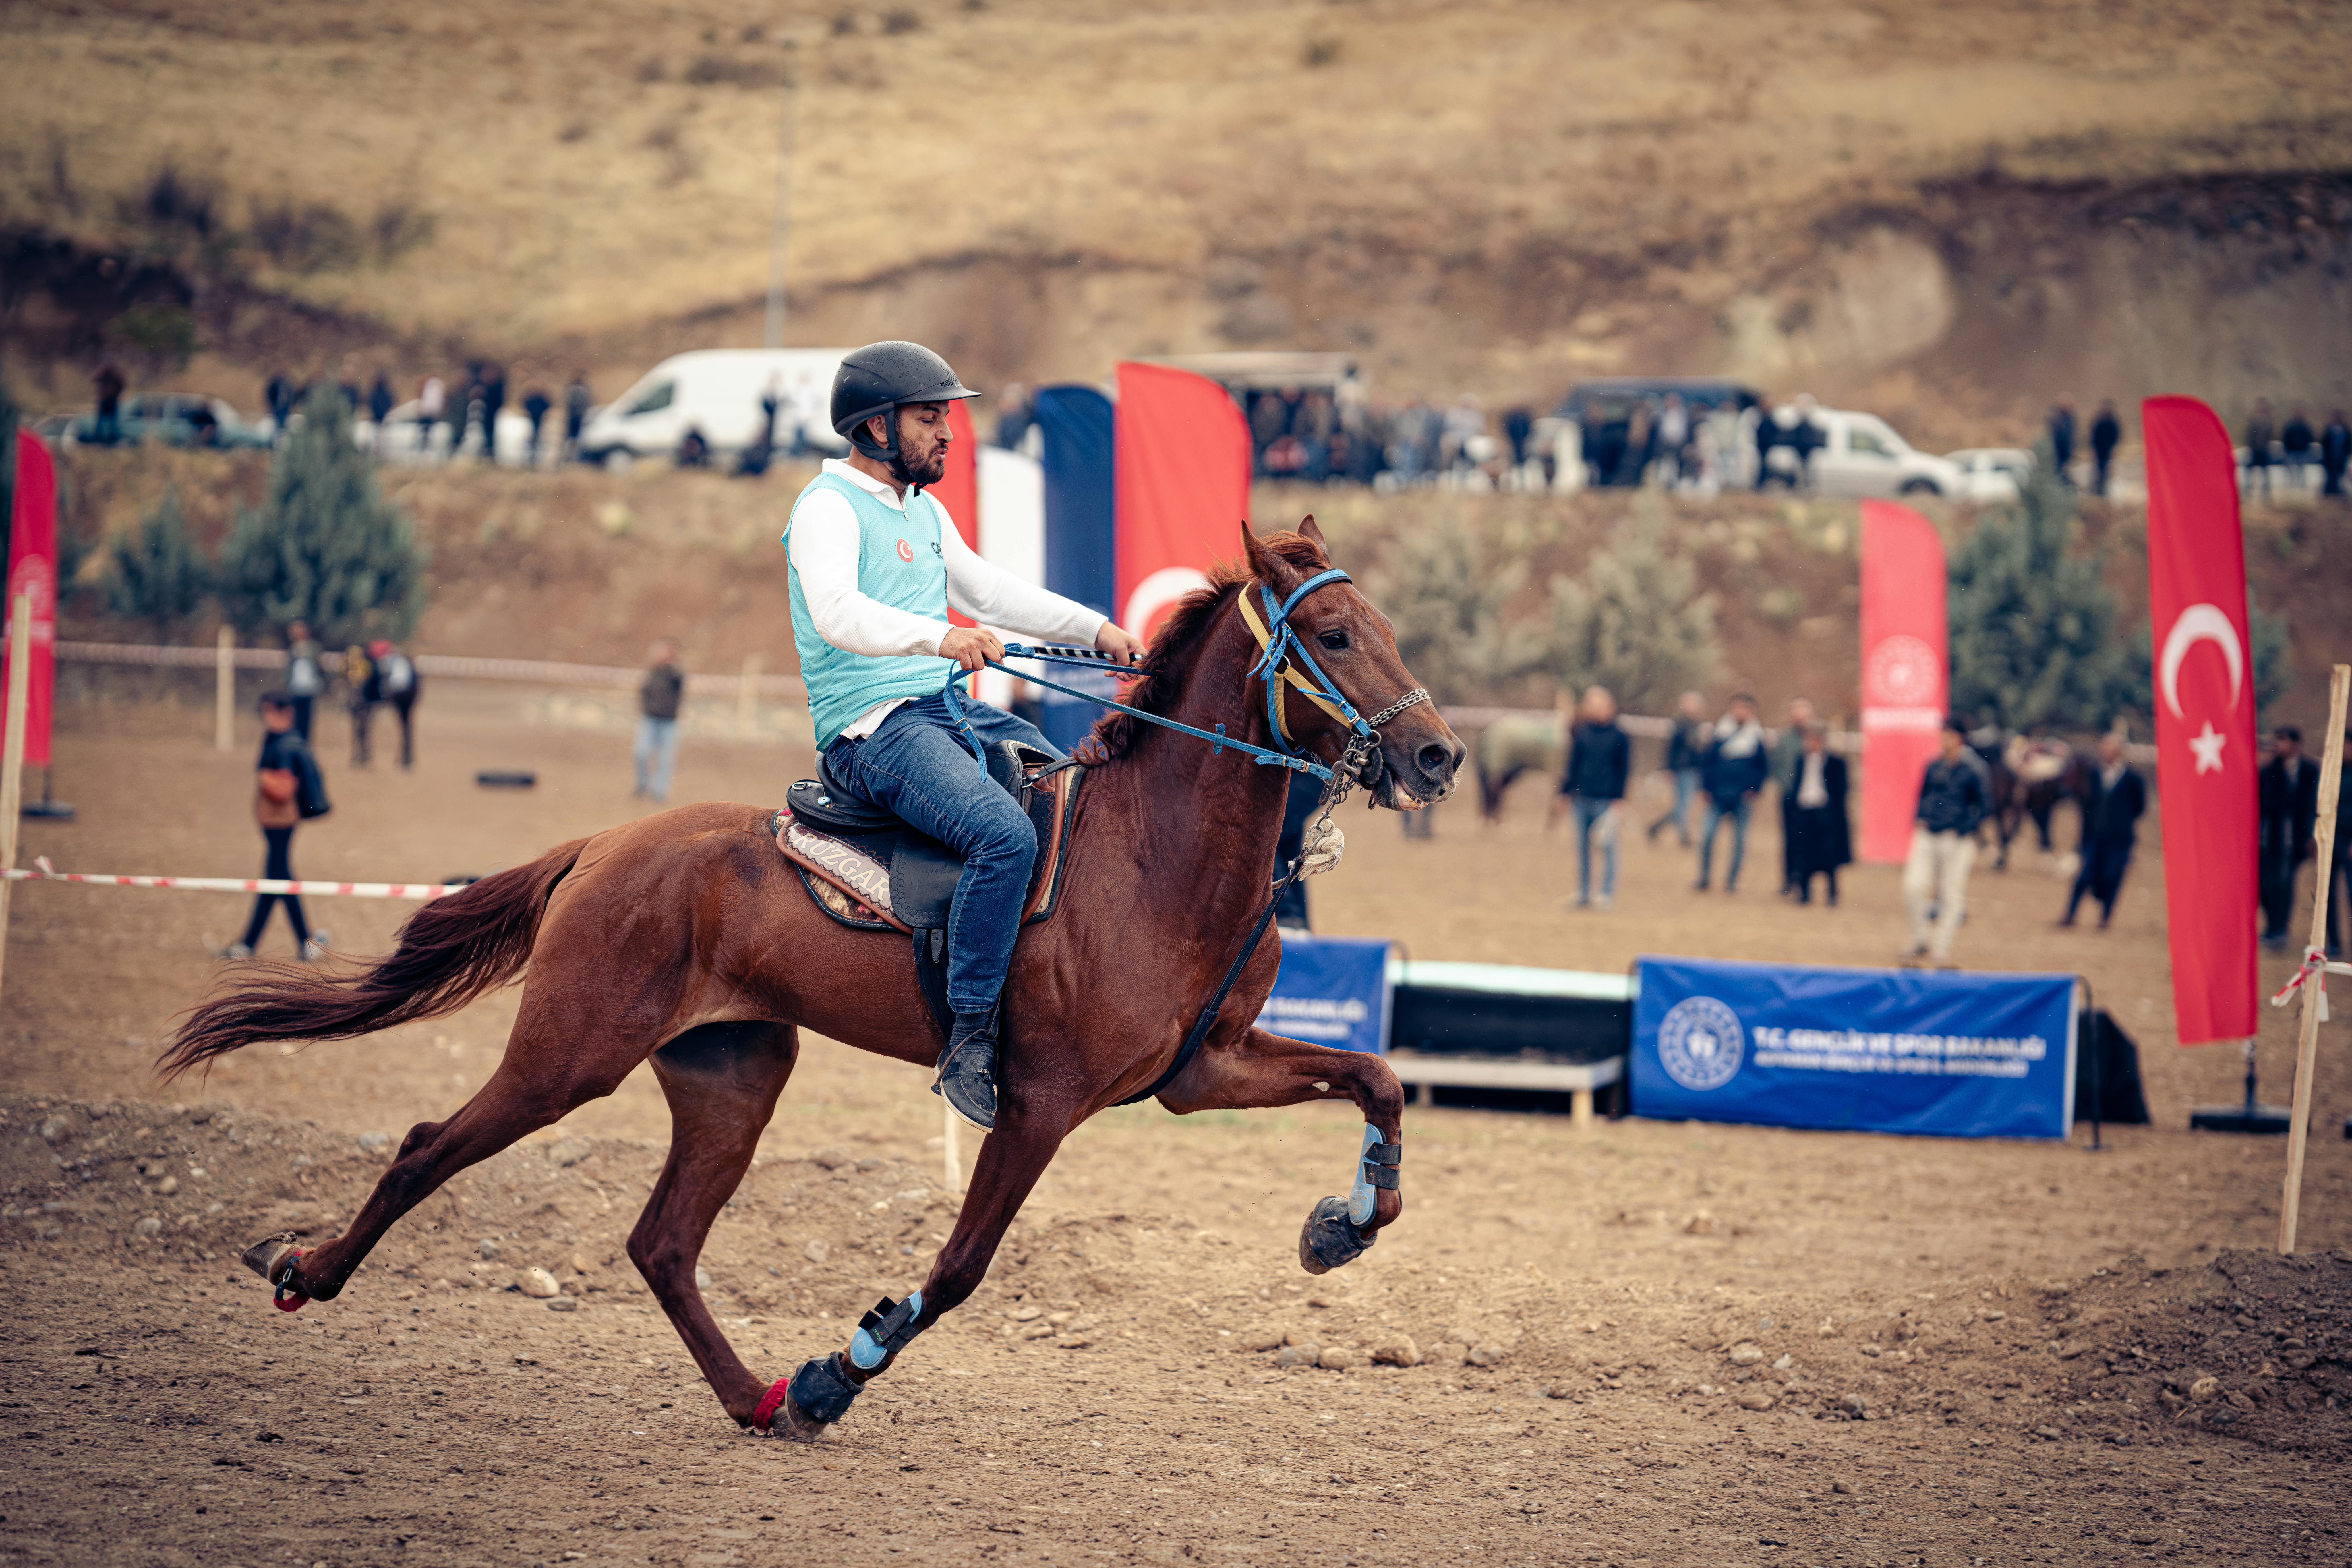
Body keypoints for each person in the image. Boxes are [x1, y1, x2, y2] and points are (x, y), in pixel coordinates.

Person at [786, 340, 1145, 1131]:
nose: (947, 432)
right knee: (1005, 838)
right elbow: (835, 610)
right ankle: (972, 1037)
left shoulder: (921, 508)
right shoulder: (826, 508)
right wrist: (942, 639)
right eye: (929, 417)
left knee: (1069, 791)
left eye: (946, 416)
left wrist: (1098, 629)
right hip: (874, 729)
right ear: (875, 427)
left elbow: (990, 591)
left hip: (946, 711)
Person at [218, 692, 330, 962]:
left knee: (278, 880)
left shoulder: (286, 743)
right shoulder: (278, 739)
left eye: (270, 711)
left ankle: (263, 943)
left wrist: (266, 777)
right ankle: (273, 942)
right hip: (275, 821)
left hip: (281, 820)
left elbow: (285, 785)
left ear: (285, 712)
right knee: (275, 880)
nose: (266, 717)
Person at [1903, 720, 1991, 966]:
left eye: (1949, 735)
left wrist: (1962, 828)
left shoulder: (1975, 769)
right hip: (1928, 834)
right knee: (1914, 886)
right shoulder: (1934, 765)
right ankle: (1920, 939)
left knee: (1951, 895)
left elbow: (1986, 806)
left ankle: (1941, 949)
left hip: (1956, 839)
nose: (1944, 739)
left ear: (1960, 738)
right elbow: (1923, 794)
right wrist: (1920, 818)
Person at [1552, 685, 1628, 908]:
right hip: (1580, 798)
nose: (1590, 708)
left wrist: (1619, 799)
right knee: (1582, 848)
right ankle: (1584, 893)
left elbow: (1624, 769)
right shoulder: (1582, 732)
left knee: (1608, 847)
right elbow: (1572, 765)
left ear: (1609, 706)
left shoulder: (1620, 735)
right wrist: (1564, 793)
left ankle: (1606, 894)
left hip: (1606, 800)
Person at [2059, 732, 2146, 929]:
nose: (2104, 751)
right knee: (2083, 877)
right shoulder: (2095, 774)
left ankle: (2105, 918)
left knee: (2111, 877)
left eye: (2109, 747)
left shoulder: (2132, 779)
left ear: (2118, 752)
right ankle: (2070, 915)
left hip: (2119, 840)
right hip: (2095, 837)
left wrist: (2121, 822)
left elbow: (2139, 807)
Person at [1695, 693, 1767, 892]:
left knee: (1740, 842)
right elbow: (1707, 762)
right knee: (1708, 836)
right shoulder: (1719, 733)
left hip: (1742, 798)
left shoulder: (1757, 737)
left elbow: (1762, 768)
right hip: (1717, 795)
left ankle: (1732, 881)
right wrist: (1706, 788)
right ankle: (1704, 877)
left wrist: (1754, 790)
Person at [2258, 725, 2319, 950]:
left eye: (2283, 740)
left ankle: (2280, 929)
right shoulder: (2269, 771)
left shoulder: (2311, 771)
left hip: (2296, 839)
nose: (2279, 745)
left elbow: (2313, 805)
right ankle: (2272, 927)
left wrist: (2312, 835)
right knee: (2267, 885)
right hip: (2270, 838)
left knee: (2285, 883)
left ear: (2295, 744)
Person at [1783, 724, 1850, 905]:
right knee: (1804, 855)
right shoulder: (1801, 760)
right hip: (1804, 813)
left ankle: (1832, 894)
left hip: (1825, 814)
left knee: (1829, 857)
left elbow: (1842, 790)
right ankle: (1804, 893)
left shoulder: (1836, 763)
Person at [1647, 691, 1708, 846]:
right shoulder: (1679, 724)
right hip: (1682, 770)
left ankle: (1656, 828)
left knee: (1683, 806)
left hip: (1694, 770)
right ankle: (1683, 836)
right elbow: (1671, 749)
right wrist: (1668, 769)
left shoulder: (1698, 725)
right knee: (1683, 805)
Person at [1769, 697, 1815, 896]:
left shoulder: (1815, 738)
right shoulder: (1784, 738)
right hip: (1789, 797)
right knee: (1789, 840)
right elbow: (1777, 764)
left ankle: (1806, 881)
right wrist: (1786, 787)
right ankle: (1789, 879)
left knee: (1809, 841)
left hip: (1810, 800)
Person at [635, 638, 685, 803]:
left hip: (669, 722)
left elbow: (679, 681)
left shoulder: (674, 675)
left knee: (665, 759)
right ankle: (642, 785)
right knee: (641, 753)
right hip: (650, 719)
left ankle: (659, 791)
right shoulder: (651, 674)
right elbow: (643, 693)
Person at [372, 639, 420, 769]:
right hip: (402, 699)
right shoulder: (398, 661)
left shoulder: (397, 662)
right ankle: (405, 758)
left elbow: (398, 683)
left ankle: (406, 759)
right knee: (405, 729)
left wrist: (385, 693)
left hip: (403, 700)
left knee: (405, 729)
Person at [283, 620, 324, 741]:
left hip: (309, 689)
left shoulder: (314, 647)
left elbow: (319, 666)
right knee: (294, 720)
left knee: (307, 720)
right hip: (295, 689)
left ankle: (305, 745)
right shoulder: (292, 649)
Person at [344, 641, 380, 765]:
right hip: (356, 703)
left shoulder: (366, 666)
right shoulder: (349, 668)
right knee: (356, 730)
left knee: (364, 730)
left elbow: (368, 685)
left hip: (365, 703)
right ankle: (357, 755)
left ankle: (365, 755)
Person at [2243, 399, 2275, 500]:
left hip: (2264, 451)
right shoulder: (2254, 421)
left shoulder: (2268, 421)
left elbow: (2269, 436)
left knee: (2265, 474)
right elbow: (2249, 436)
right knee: (2250, 474)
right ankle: (2247, 494)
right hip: (2255, 451)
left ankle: (2266, 496)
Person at [2089, 400, 2122, 496]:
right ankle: (2100, 490)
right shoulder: (2100, 420)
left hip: (2108, 450)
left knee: (2108, 470)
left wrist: (2113, 446)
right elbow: (2094, 435)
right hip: (2100, 450)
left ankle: (2106, 490)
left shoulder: (2112, 421)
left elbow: (2116, 435)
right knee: (2099, 470)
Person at [2280, 407, 2315, 492]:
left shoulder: (2305, 426)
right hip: (2292, 451)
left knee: (2302, 471)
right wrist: (2287, 449)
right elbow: (2286, 437)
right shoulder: (2291, 425)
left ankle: (2302, 487)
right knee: (2290, 470)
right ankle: (2291, 486)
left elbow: (2310, 437)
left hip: (2302, 452)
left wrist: (2306, 448)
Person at [93, 363, 125, 445]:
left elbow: (122, 386)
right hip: (105, 401)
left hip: (112, 401)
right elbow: (95, 380)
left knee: (114, 422)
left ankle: (112, 438)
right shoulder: (103, 374)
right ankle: (99, 439)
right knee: (101, 422)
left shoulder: (116, 376)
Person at [2322, 410, 2351, 500]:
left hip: (2341, 457)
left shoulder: (2345, 430)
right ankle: (2330, 490)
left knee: (2339, 474)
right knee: (2331, 474)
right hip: (2331, 457)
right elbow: (2325, 443)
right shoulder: (2330, 429)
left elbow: (2348, 444)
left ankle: (2336, 489)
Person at [2047, 398, 2077, 486]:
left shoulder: (2070, 418)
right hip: (2056, 449)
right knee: (2056, 469)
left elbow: (2072, 434)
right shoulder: (2055, 417)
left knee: (2064, 470)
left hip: (2065, 449)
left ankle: (2061, 486)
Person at [523, 383, 553, 465]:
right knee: (533, 437)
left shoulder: (538, 399)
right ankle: (532, 455)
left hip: (537, 420)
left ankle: (535, 455)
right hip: (534, 420)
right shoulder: (535, 399)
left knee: (536, 437)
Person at [564, 372, 592, 460]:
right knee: (576, 437)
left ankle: (572, 455)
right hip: (577, 417)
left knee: (573, 437)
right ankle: (574, 456)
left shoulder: (572, 390)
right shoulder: (582, 391)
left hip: (575, 417)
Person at [418, 373, 446, 454]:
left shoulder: (430, 385)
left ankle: (425, 446)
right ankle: (425, 446)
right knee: (428, 431)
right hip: (432, 412)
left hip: (428, 412)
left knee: (427, 431)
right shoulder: (439, 385)